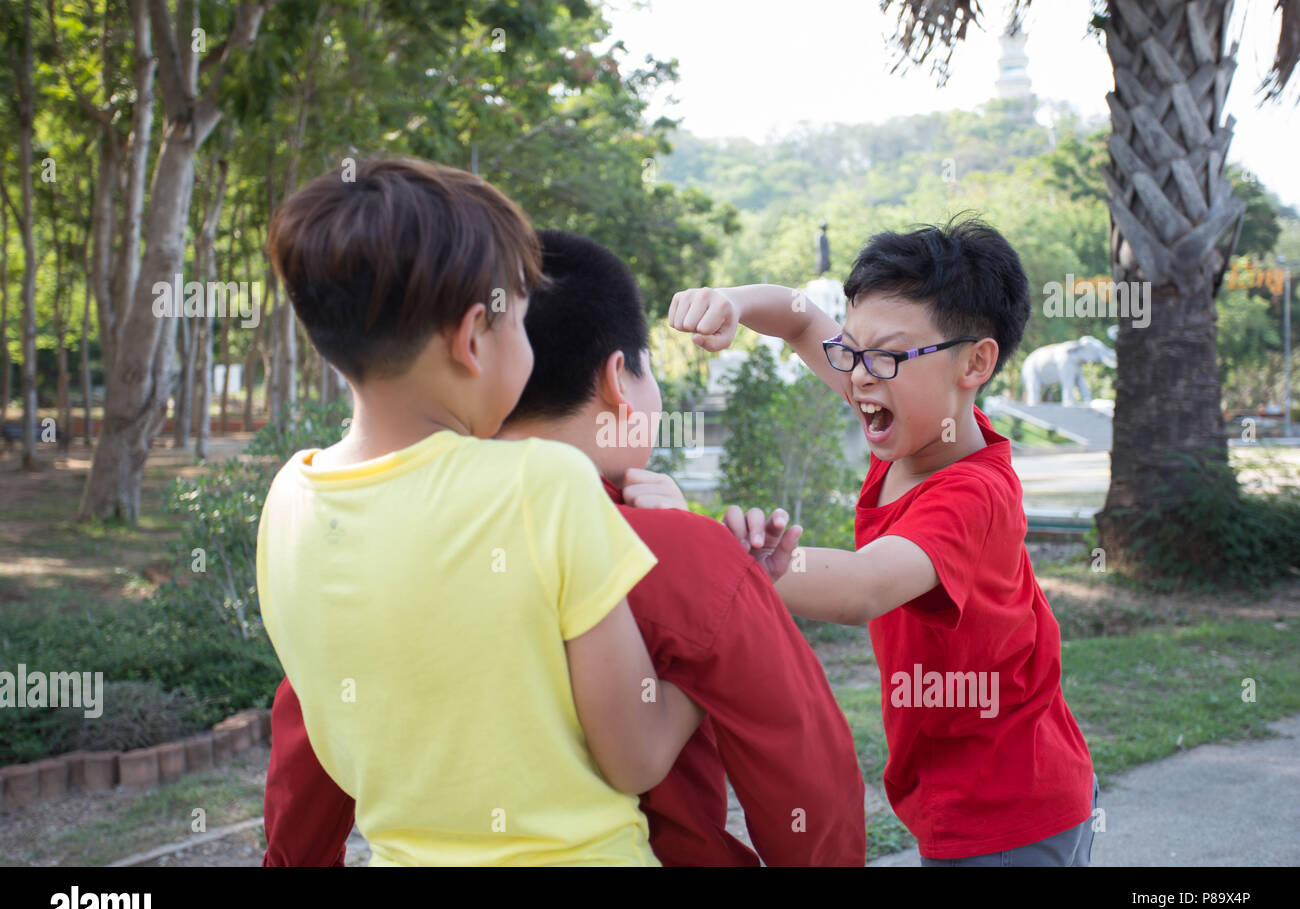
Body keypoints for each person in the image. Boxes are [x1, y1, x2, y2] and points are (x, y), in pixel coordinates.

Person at [263, 229, 866, 867]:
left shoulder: (374, 532)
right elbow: (805, 775)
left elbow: (310, 741)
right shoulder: (685, 552)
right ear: (617, 380)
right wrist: (727, 571)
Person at [256, 158, 702, 866]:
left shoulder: (289, 499)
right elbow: (638, 754)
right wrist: (707, 658)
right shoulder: (545, 484)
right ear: (472, 339)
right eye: (522, 322)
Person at [667, 217, 1098, 866]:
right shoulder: (917, 418)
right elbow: (801, 319)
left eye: (886, 356)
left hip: (1011, 809)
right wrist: (731, 300)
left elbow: (864, 585)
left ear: (974, 363)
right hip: (953, 793)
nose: (860, 376)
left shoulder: (970, 492)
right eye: (854, 352)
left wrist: (711, 554)